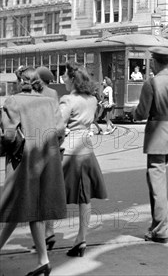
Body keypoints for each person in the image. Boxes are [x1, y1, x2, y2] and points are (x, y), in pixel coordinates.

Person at [0, 67, 66, 276]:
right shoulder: (49, 101)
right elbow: (60, 131)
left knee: (20, 205)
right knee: (29, 208)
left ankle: (43, 260)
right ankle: (43, 260)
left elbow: (9, 135)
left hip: (23, 162)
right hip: (47, 160)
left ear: (20, 81)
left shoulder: (13, 101)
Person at [134, 46, 168, 244]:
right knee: (155, 179)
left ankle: (160, 230)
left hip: (157, 137)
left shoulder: (151, 83)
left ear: (155, 62)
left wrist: (135, 113)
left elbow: (141, 113)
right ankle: (157, 225)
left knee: (157, 183)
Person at [58, 61, 108, 258]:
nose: (62, 79)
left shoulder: (68, 100)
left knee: (51, 193)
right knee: (84, 196)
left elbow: (58, 127)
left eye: (64, 76)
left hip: (68, 153)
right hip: (87, 151)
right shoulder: (92, 99)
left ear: (72, 79)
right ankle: (81, 237)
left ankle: (47, 234)